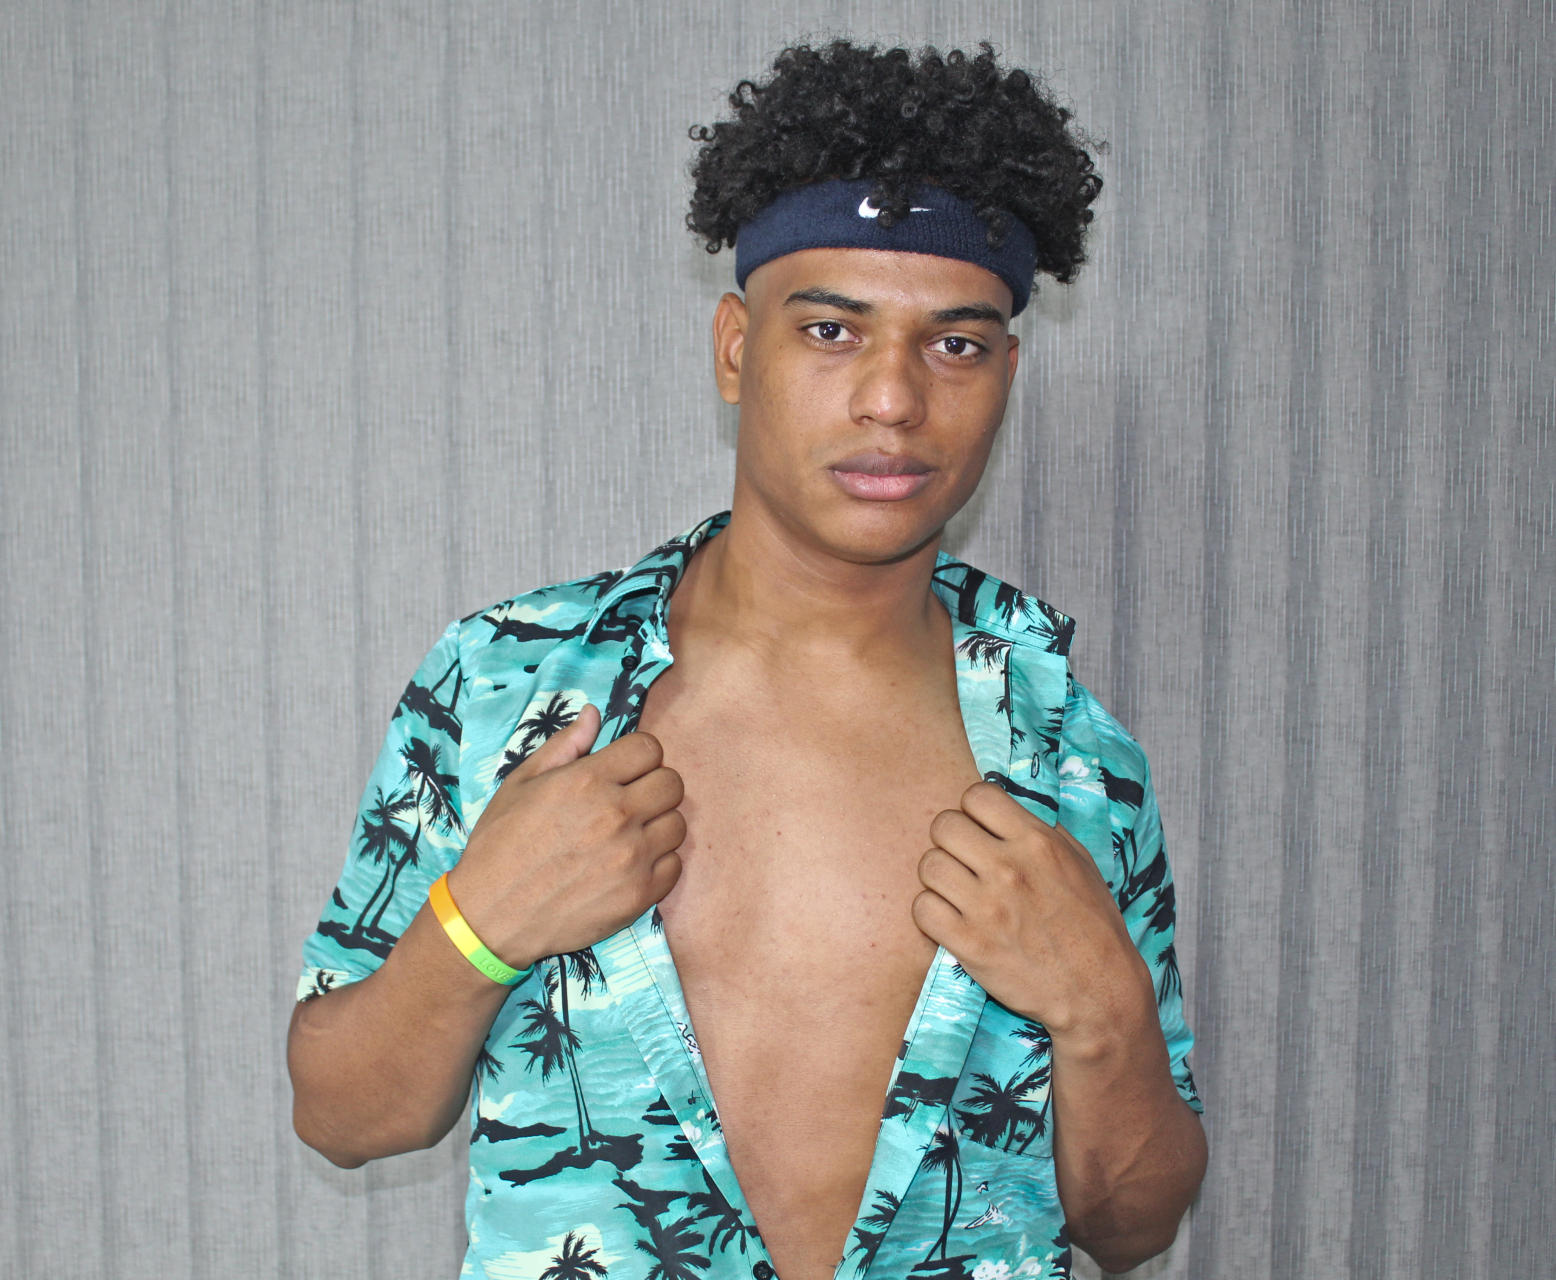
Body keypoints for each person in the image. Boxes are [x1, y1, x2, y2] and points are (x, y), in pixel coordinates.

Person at [289, 39, 1206, 1280]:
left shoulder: (1075, 757)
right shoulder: (508, 681)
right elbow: (343, 1114)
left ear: (1004, 371)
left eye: (953, 344)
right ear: (734, 347)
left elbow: (1130, 1224)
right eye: (830, 330)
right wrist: (478, 925)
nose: (891, 400)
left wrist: (1103, 1007)